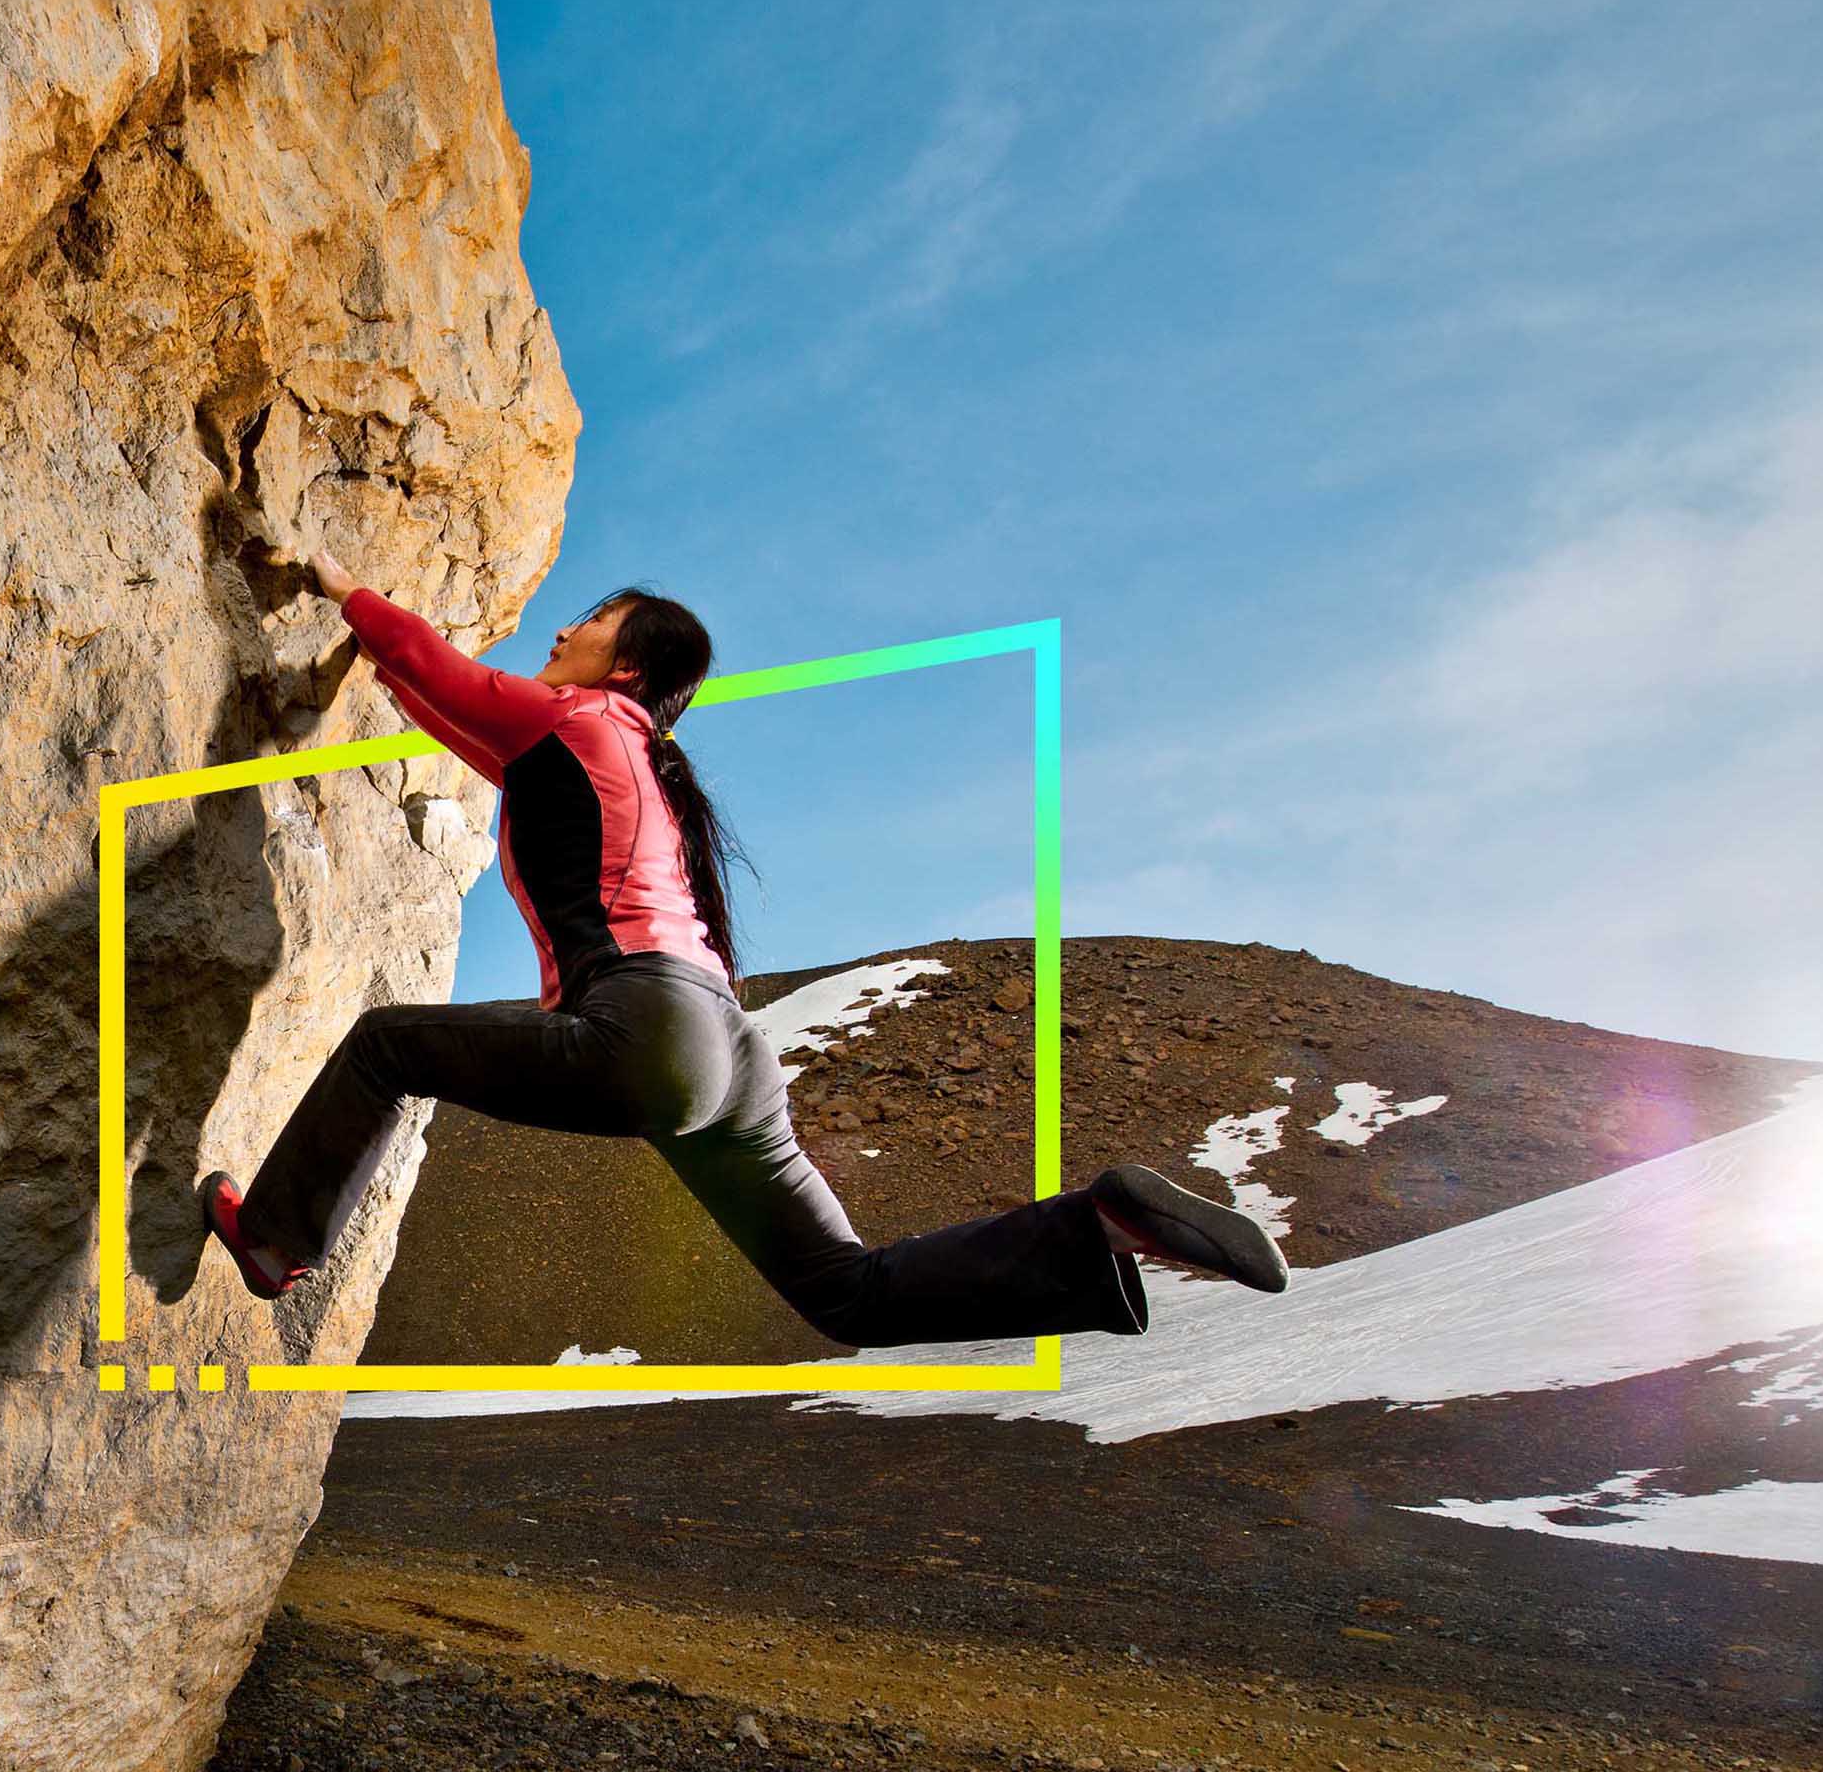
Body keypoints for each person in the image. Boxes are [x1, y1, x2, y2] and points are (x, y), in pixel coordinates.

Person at [197, 533, 1287, 1345]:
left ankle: (277, 1241)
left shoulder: (579, 719)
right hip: (730, 1056)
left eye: (589, 621)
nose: (561, 633)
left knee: (387, 1047)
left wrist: (343, 586)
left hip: (647, 1030)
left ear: (628, 668)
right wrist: (379, 662)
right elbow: (455, 719)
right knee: (849, 1296)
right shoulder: (626, 762)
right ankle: (1099, 1229)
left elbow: (449, 681)